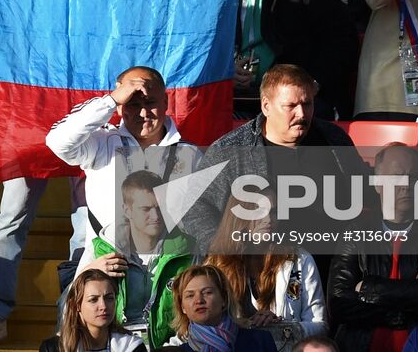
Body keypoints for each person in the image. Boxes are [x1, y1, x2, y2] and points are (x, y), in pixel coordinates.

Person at [44, 66, 203, 325]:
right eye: (132, 103)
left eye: (150, 103)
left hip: (168, 281)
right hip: (104, 276)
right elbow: (57, 141)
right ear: (120, 107)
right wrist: (112, 99)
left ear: (165, 101)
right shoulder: (101, 144)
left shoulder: (190, 156)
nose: (142, 113)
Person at [186, 65, 363, 250]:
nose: (301, 114)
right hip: (261, 269)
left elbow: (360, 193)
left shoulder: (334, 139)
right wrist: (226, 251)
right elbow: (194, 207)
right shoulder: (231, 149)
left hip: (330, 267)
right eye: (291, 106)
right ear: (266, 106)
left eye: (307, 103)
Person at [327, 143, 418, 352]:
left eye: (413, 177)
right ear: (377, 183)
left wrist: (367, 287)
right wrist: (409, 295)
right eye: (397, 177)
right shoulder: (355, 232)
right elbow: (339, 304)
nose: (406, 185)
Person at [73, 171, 194, 350]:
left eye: (160, 208)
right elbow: (72, 304)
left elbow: (204, 313)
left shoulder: (188, 250)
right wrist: (89, 272)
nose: (156, 216)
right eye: (146, 209)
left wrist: (172, 347)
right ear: (127, 210)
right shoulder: (102, 250)